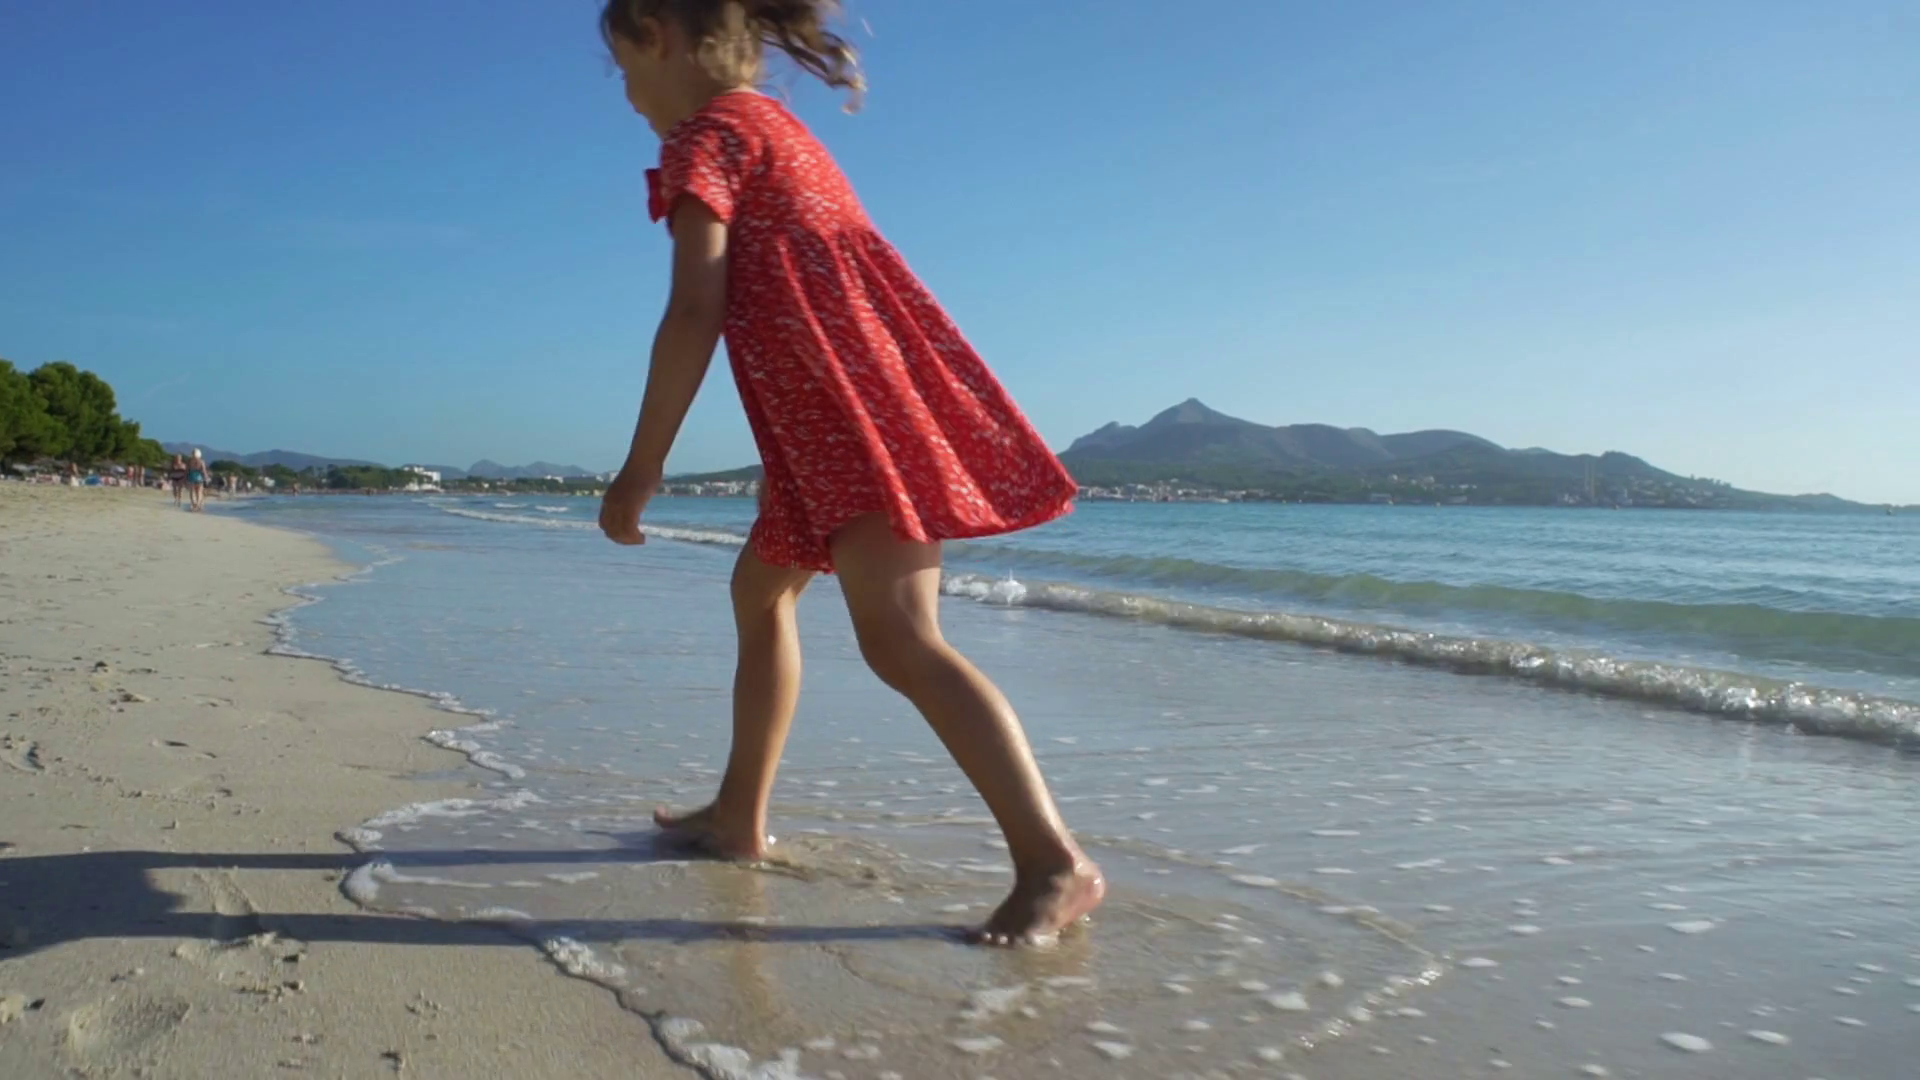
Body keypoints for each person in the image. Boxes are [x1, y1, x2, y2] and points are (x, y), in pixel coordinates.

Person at [594, 0, 1103, 947]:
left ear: (659, 34)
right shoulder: (777, 127)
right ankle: (738, 817)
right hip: (828, 427)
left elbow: (695, 310)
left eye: (625, 72)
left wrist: (641, 468)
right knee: (760, 595)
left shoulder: (712, 135)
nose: (628, 100)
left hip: (854, 423)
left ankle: (1053, 861)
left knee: (902, 640)